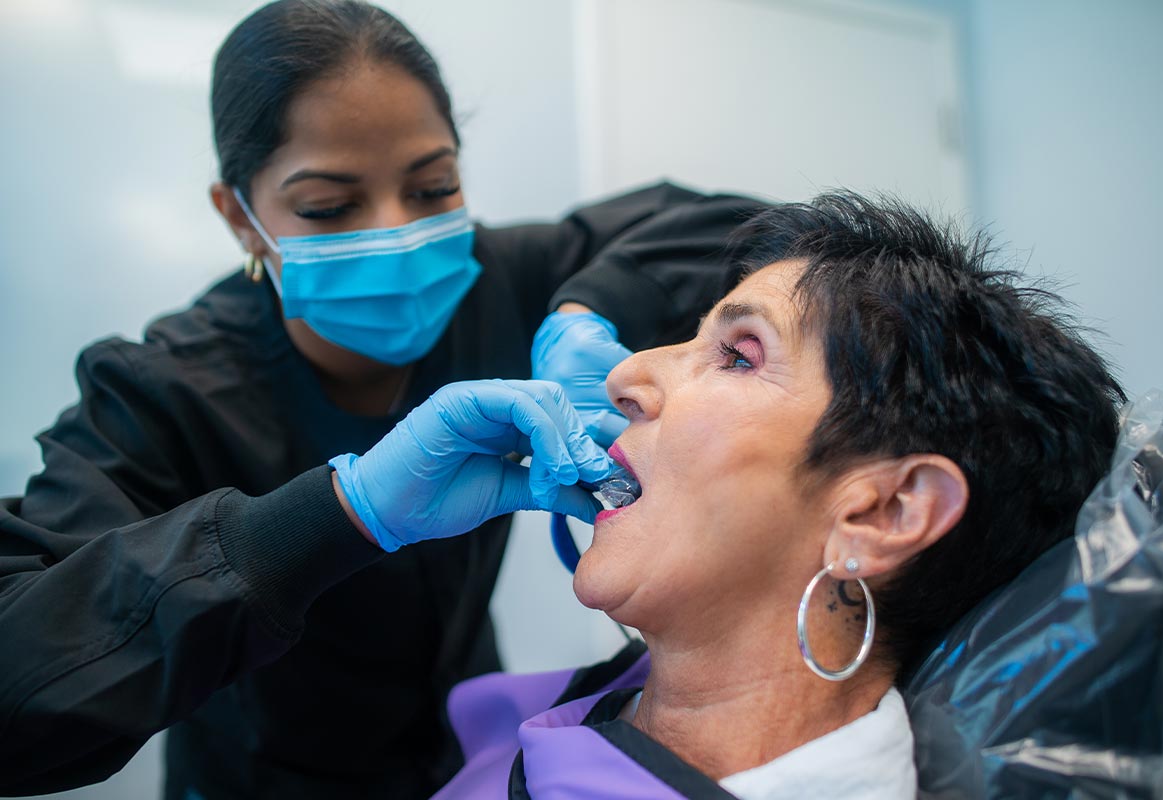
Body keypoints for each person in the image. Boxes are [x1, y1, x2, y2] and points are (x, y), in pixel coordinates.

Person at [0, 1, 763, 796]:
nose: (399, 233)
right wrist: (341, 514)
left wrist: (587, 311)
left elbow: (759, 234)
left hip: (472, 745)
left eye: (434, 187)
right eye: (330, 207)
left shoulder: (502, 280)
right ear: (239, 215)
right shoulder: (163, 393)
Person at [429, 192, 1127, 798]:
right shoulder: (595, 705)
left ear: (885, 512)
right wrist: (338, 521)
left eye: (738, 355)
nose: (627, 378)